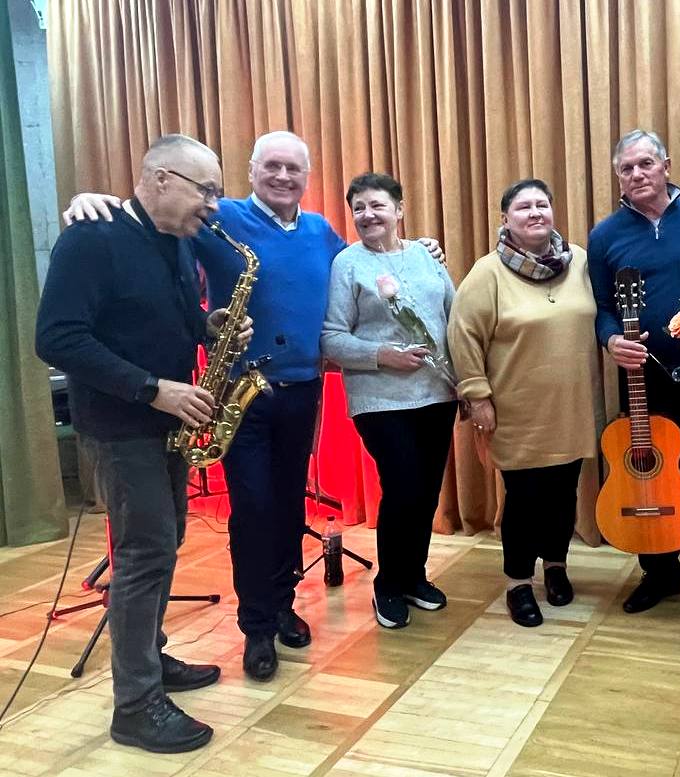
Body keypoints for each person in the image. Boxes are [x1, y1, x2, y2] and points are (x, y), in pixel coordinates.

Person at [63, 131, 443, 682]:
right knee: (253, 509)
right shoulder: (218, 217)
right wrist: (93, 202)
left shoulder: (320, 230)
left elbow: (364, 264)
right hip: (240, 393)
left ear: (307, 177)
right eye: (272, 166)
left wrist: (419, 248)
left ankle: (284, 604)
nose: (283, 177)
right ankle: (257, 627)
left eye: (293, 169)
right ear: (251, 170)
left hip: (301, 390)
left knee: (288, 505)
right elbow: (153, 225)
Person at [36, 134, 251, 753]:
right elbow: (56, 338)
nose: (214, 205)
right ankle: (135, 705)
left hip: (166, 423)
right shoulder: (90, 239)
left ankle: (149, 660)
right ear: (160, 179)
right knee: (144, 553)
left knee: (165, 542)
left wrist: (211, 326)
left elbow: (165, 318)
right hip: (122, 424)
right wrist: (153, 389)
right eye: (205, 190)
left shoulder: (175, 242)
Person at [588, 129, 680, 622]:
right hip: (643, 376)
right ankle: (659, 573)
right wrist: (611, 340)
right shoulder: (604, 236)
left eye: (646, 164)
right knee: (646, 472)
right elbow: (602, 307)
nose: (637, 174)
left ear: (666, 166)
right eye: (626, 168)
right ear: (618, 177)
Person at [447, 179, 602, 628]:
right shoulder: (488, 273)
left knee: (564, 494)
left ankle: (556, 566)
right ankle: (518, 582)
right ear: (505, 219)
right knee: (524, 500)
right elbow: (463, 336)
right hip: (516, 411)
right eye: (523, 207)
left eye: (542, 204)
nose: (535, 213)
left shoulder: (580, 262)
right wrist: (477, 396)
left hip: (570, 407)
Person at [320, 172, 458, 630]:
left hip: (437, 393)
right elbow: (330, 338)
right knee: (402, 487)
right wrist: (382, 354)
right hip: (380, 398)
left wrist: (466, 383)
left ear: (399, 209)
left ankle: (414, 575)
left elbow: (454, 317)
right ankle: (389, 584)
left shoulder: (426, 256)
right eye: (359, 207)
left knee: (427, 490)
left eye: (377, 205)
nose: (367, 215)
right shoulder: (347, 264)